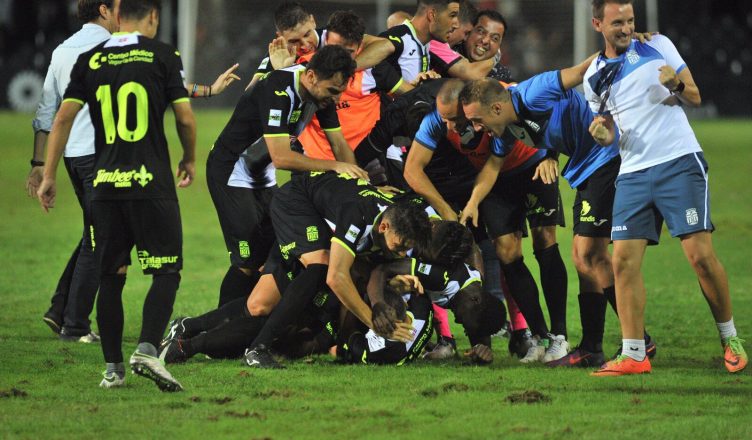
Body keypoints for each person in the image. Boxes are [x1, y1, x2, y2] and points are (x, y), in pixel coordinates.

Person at [37, 0, 196, 391]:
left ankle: (113, 369)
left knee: (111, 275)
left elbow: (61, 118)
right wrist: (189, 158)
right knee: (166, 271)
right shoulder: (162, 54)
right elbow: (185, 116)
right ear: (154, 17)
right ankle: (144, 349)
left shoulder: (89, 60)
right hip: (150, 183)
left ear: (119, 17)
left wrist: (49, 174)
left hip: (105, 184)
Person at [585, 0, 746, 375]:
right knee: (622, 260)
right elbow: (607, 128)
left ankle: (730, 338)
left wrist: (674, 82)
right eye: (617, 23)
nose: (626, 28)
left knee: (701, 258)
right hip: (633, 173)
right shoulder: (593, 74)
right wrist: (601, 134)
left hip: (678, 162)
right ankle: (634, 354)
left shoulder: (658, 45)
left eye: (629, 21)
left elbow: (693, 95)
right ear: (597, 24)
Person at [407, 79, 569, 364]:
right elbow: (412, 171)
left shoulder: (501, 98)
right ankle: (540, 337)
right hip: (494, 178)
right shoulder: (439, 119)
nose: (449, 128)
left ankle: (560, 336)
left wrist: (552, 154)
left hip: (533, 164)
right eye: (444, 120)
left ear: (471, 108)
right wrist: (447, 209)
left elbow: (550, 107)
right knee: (507, 253)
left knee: (545, 243)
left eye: (455, 120)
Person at [206, 44, 368, 307]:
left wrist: (358, 185)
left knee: (271, 251)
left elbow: (339, 144)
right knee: (247, 261)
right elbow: (282, 158)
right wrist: (334, 167)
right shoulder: (278, 89)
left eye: (339, 92)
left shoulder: (322, 94)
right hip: (231, 171)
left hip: (262, 174)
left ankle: (246, 323)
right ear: (312, 76)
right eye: (332, 91)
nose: (336, 99)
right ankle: (218, 330)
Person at [243, 171, 432, 368]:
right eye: (399, 246)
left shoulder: (397, 216)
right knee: (322, 267)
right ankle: (257, 349)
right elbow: (336, 278)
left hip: (320, 206)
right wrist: (375, 325)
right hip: (296, 201)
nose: (401, 255)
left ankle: (339, 344)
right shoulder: (359, 215)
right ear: (383, 227)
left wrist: (389, 282)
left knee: (259, 305)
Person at [28, 0, 119, 344]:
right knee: (101, 238)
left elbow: (46, 111)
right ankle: (76, 325)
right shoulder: (112, 48)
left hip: (72, 157)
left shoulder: (62, 51)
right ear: (104, 10)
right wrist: (207, 91)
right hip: (101, 156)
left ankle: (59, 308)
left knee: (95, 232)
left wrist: (39, 166)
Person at [356, 0, 460, 83]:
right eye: (452, 15)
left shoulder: (426, 42)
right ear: (432, 15)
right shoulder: (395, 41)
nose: (457, 24)